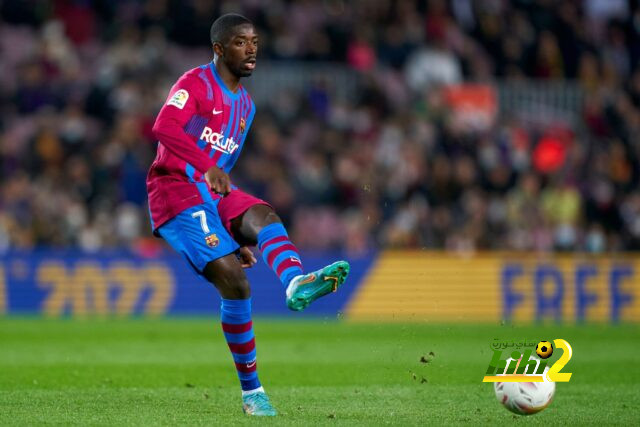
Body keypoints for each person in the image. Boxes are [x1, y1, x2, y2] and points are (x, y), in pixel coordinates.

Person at [146, 14, 350, 416]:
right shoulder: (195, 84)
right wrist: (206, 166)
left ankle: (294, 283)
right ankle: (252, 393)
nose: (252, 48)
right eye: (240, 42)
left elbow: (222, 165)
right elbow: (164, 126)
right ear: (219, 49)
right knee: (236, 285)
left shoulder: (246, 106)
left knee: (263, 215)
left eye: (254, 40)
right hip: (176, 190)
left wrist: (232, 233)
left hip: (210, 192)